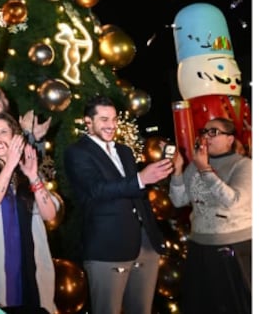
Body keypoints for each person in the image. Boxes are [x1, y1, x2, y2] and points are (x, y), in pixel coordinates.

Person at [62, 95, 171, 314]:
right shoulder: (77, 152)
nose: (111, 125)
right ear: (88, 122)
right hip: (108, 246)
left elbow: (135, 192)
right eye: (104, 119)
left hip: (145, 244)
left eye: (113, 119)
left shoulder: (125, 151)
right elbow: (95, 190)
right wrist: (141, 179)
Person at [0, 111, 59, 313]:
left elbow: (50, 214)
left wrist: (33, 176)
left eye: (3, 132)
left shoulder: (29, 169)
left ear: (15, 136)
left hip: (31, 265)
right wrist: (9, 165)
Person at [168, 117, 251, 314]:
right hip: (200, 245)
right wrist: (178, 171)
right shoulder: (196, 165)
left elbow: (234, 201)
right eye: (204, 132)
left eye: (213, 132)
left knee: (235, 305)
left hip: (234, 246)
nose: (206, 136)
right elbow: (179, 200)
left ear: (230, 139)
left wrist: (205, 169)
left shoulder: (243, 165)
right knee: (203, 304)